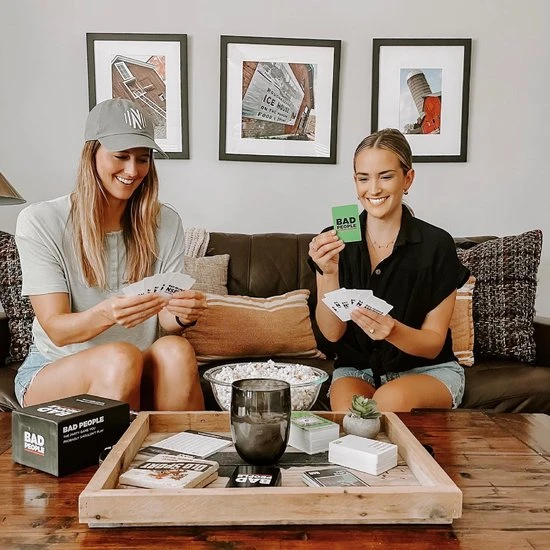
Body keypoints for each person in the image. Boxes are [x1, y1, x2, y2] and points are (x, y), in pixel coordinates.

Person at [14, 98, 206, 411]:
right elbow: (57, 330)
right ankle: (123, 445)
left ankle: (180, 444)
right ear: (91, 154)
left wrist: (183, 314)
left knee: (176, 349)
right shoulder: (40, 221)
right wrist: (107, 314)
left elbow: (166, 320)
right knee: (120, 357)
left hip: (139, 362)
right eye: (121, 156)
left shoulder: (167, 222)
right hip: (57, 366)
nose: (133, 171)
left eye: (143, 159)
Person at [308, 128, 469, 412]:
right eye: (363, 178)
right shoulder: (335, 241)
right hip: (357, 370)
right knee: (351, 418)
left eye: (385, 176)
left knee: (382, 406)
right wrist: (329, 273)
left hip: (426, 371)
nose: (373, 190)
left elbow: (433, 344)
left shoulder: (436, 245)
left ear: (408, 179)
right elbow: (332, 334)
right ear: (355, 182)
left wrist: (392, 330)